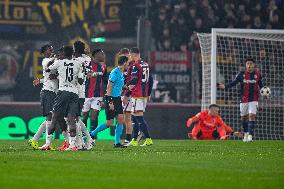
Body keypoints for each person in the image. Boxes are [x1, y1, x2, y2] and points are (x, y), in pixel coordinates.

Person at [40, 46, 84, 151]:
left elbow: (47, 70)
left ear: (64, 53)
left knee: (54, 117)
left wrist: (58, 72)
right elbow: (81, 81)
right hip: (74, 93)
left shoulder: (59, 62)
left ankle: (48, 144)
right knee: (71, 119)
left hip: (62, 92)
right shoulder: (78, 64)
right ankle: (73, 145)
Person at [218, 58, 264, 142]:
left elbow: (262, 87)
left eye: (251, 64)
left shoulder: (258, 75)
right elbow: (234, 83)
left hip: (254, 99)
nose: (249, 65)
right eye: (248, 64)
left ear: (254, 65)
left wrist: (265, 93)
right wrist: (225, 86)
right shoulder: (241, 74)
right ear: (246, 65)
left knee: (252, 116)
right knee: (244, 118)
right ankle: (246, 133)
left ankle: (250, 135)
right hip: (243, 100)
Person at [90, 55, 129, 148]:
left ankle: (117, 143)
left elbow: (118, 85)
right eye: (127, 63)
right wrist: (110, 102)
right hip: (110, 99)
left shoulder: (121, 72)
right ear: (124, 63)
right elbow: (109, 87)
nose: (128, 65)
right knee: (109, 123)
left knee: (120, 119)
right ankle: (92, 133)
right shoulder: (115, 72)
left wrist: (127, 87)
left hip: (118, 98)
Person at [28, 44, 58, 150]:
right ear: (45, 51)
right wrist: (57, 57)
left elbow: (49, 77)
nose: (52, 50)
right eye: (50, 49)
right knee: (50, 117)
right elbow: (50, 66)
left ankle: (34, 139)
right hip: (48, 92)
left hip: (53, 92)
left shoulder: (53, 61)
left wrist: (40, 80)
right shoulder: (46, 60)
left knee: (52, 117)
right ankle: (47, 144)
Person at [126, 47, 154, 147]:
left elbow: (133, 80)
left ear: (133, 54)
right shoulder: (145, 64)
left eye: (130, 55)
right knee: (134, 116)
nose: (130, 57)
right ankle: (134, 140)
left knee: (139, 117)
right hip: (144, 95)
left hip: (137, 94)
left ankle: (148, 139)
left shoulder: (135, 66)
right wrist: (149, 93)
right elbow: (151, 79)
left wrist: (126, 87)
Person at [82, 49, 107, 135]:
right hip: (85, 94)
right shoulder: (87, 63)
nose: (104, 56)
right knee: (84, 116)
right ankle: (83, 136)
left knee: (94, 116)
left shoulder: (103, 66)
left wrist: (107, 94)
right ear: (96, 55)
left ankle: (92, 137)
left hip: (98, 95)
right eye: (102, 54)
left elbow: (105, 80)